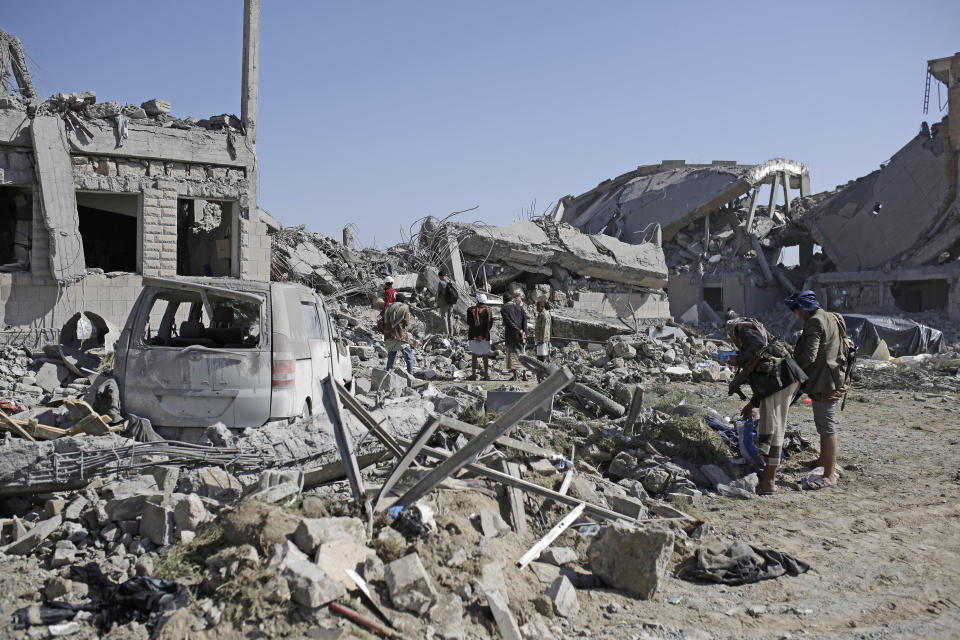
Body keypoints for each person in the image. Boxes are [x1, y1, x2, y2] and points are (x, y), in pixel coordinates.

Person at [726, 317, 808, 495]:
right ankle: (769, 473)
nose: (732, 341)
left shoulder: (744, 330)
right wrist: (751, 404)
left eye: (731, 338)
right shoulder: (759, 334)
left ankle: (769, 481)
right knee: (772, 427)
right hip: (784, 381)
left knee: (774, 429)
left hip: (781, 382)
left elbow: (757, 352)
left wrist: (738, 359)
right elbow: (765, 377)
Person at [785, 290, 848, 490]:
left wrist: (790, 370)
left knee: (827, 427)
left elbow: (809, 356)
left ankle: (830, 475)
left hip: (824, 382)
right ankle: (822, 460)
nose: (797, 316)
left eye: (797, 312)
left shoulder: (814, 322)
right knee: (823, 424)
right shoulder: (832, 317)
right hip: (834, 376)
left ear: (802, 309)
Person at [383, 292, 414, 375]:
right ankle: (410, 376)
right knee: (409, 357)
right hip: (400, 335)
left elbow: (383, 320)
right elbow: (406, 322)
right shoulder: (404, 307)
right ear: (403, 300)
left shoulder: (389, 307)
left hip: (389, 335)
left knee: (391, 357)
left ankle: (387, 374)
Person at [500, 291, 528, 380]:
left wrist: (518, 330)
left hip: (511, 335)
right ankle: (524, 374)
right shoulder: (519, 307)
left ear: (504, 300)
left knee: (511, 354)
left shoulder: (504, 309)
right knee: (522, 354)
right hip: (521, 335)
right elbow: (525, 320)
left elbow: (508, 322)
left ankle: (515, 376)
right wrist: (524, 332)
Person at [466, 293, 494, 379]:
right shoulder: (489, 310)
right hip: (485, 336)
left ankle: (473, 374)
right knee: (485, 356)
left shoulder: (470, 310)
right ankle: (486, 374)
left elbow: (469, 322)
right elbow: (490, 324)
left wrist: (476, 335)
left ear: (477, 300)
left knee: (474, 355)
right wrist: (482, 335)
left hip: (473, 335)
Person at [436, 269, 456, 336]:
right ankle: (451, 333)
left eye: (439, 276)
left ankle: (446, 334)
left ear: (441, 276)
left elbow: (438, 294)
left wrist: (437, 302)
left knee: (444, 317)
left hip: (444, 303)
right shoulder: (450, 282)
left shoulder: (441, 283)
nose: (439, 277)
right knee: (450, 317)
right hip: (451, 303)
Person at [534, 298, 552, 364]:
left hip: (542, 340)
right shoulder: (541, 314)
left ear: (542, 306)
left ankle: (543, 371)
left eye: (537, 306)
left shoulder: (545, 314)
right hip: (539, 339)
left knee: (543, 356)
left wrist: (542, 339)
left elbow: (545, 328)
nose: (536, 308)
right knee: (539, 356)